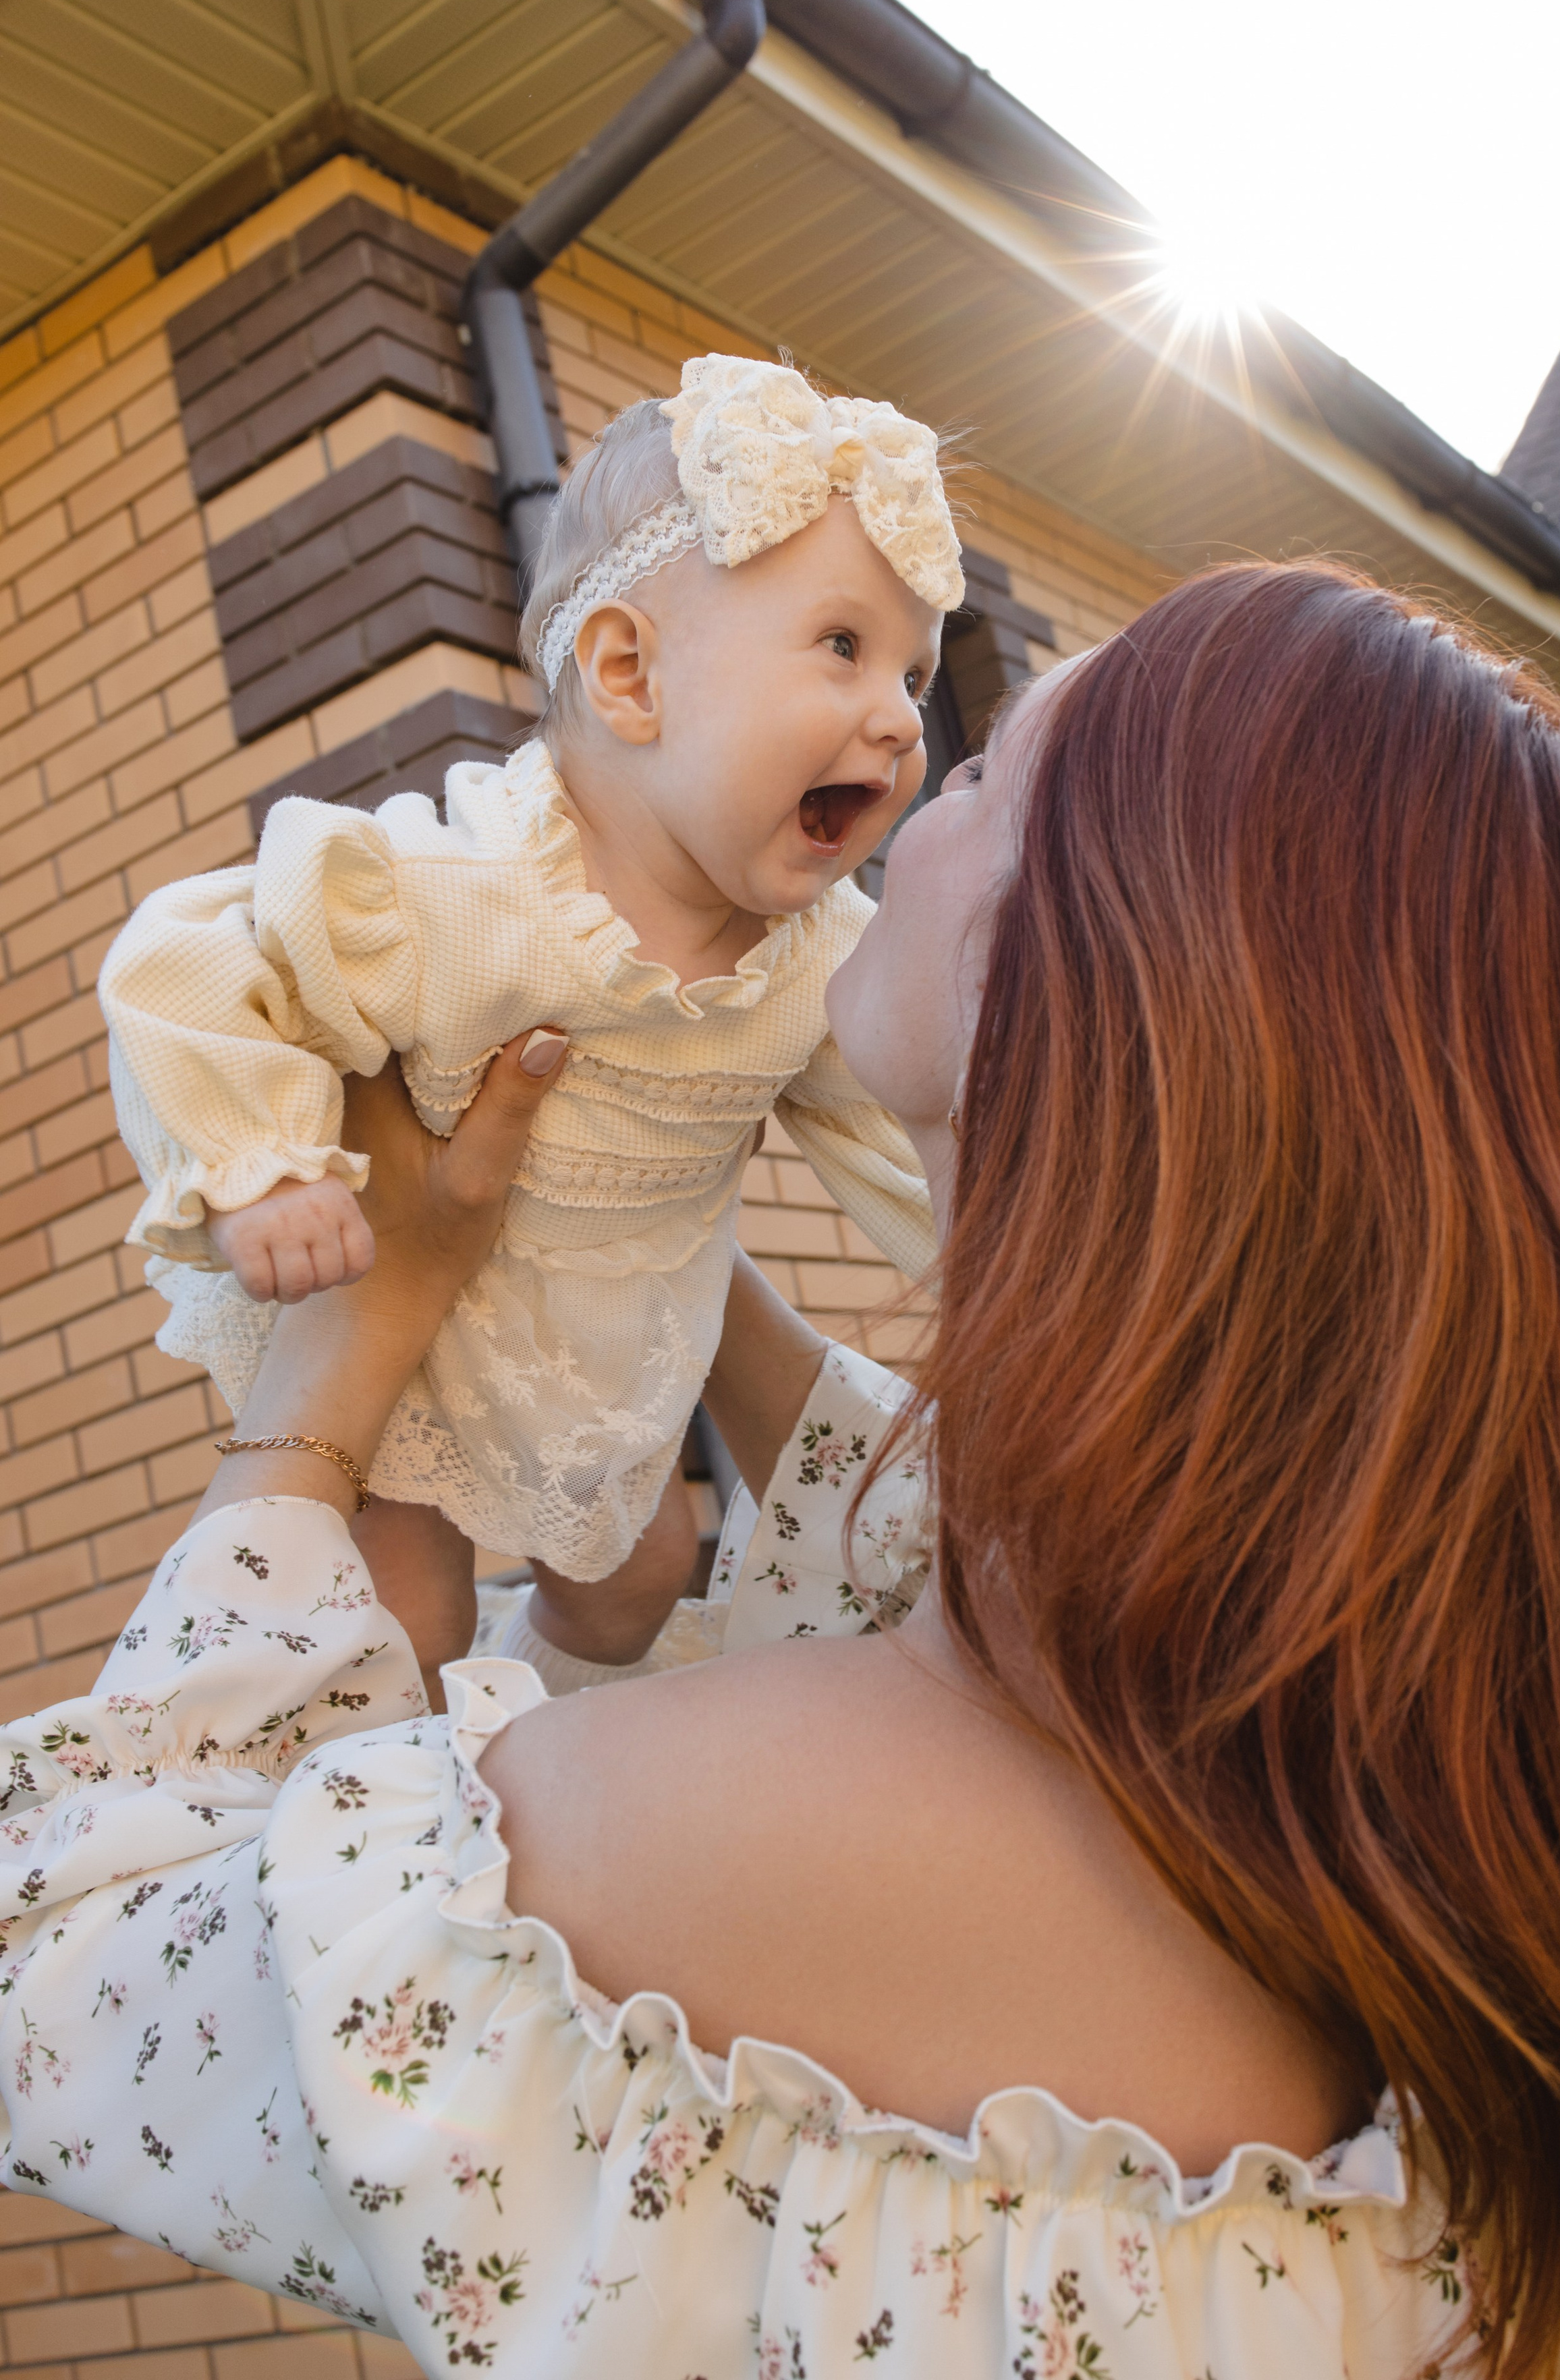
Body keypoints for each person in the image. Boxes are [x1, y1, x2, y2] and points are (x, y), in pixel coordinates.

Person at [5, 561, 1560, 2380]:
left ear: (1087, 967)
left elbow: (61, 1947)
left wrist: (345, 1360)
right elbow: (949, 1535)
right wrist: (638, 1217)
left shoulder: (652, 1867)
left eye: (991, 772)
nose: (913, 767)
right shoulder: (1456, 1798)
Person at [96, 355, 953, 1683]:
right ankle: (386, 1810)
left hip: (601, 1361)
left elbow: (914, 1130)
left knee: (651, 1577)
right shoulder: (462, 893)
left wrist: (1005, 1235)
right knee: (405, 1620)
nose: (899, 720)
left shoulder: (814, 961)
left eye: (915, 672)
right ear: (628, 675)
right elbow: (193, 959)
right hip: (410, 1332)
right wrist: (259, 1166)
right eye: (844, 645)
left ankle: (526, 1751)